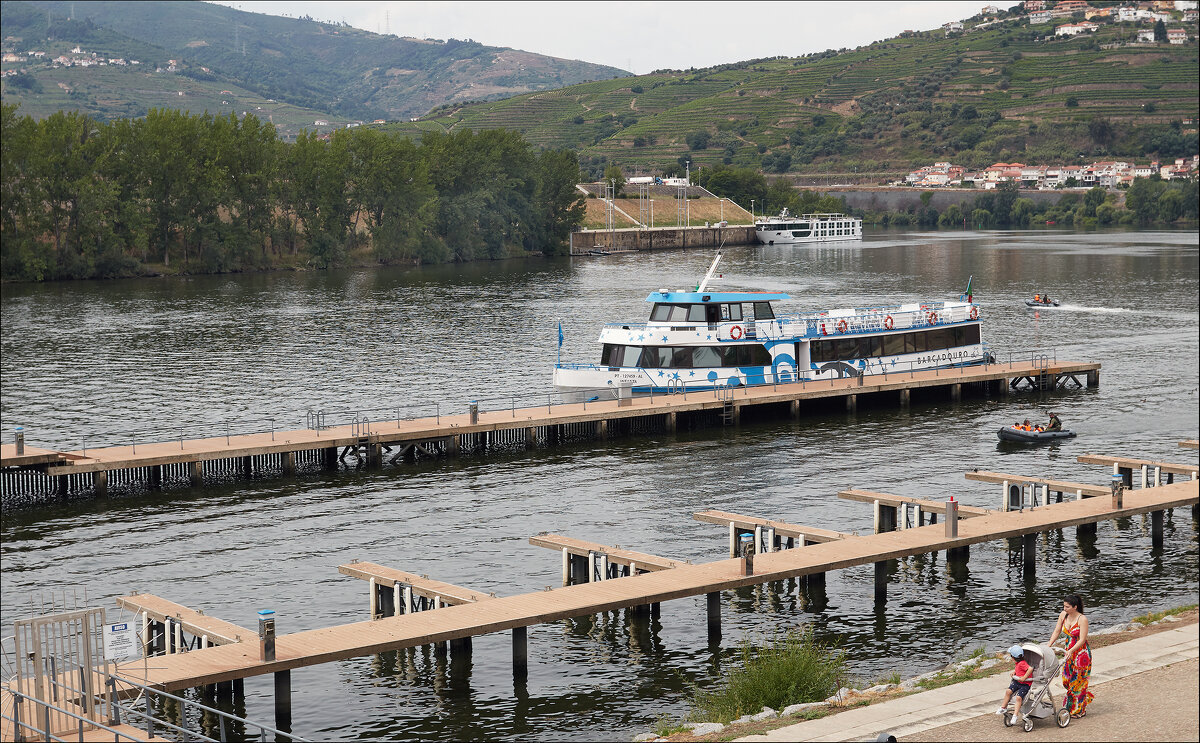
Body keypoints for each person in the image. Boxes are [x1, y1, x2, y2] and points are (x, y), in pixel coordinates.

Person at [1048, 594, 1093, 718]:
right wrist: (1049, 645)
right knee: (1067, 680)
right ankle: (1079, 701)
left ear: (1075, 607)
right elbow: (1057, 631)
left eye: (1067, 607)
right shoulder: (1063, 615)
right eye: (1064, 606)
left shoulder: (1082, 619)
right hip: (1068, 651)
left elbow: (1082, 639)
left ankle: (1078, 710)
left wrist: (1072, 650)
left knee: (1078, 681)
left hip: (1080, 653)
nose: (1065, 609)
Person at [995, 645, 1034, 720]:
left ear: (1013, 657)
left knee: (1019, 698)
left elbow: (1030, 669)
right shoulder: (1018, 663)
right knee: (1008, 691)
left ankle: (1015, 715)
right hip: (1018, 682)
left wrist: (1024, 677)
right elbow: (1020, 669)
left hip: (1025, 684)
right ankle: (1003, 707)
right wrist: (1015, 672)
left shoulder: (1022, 663)